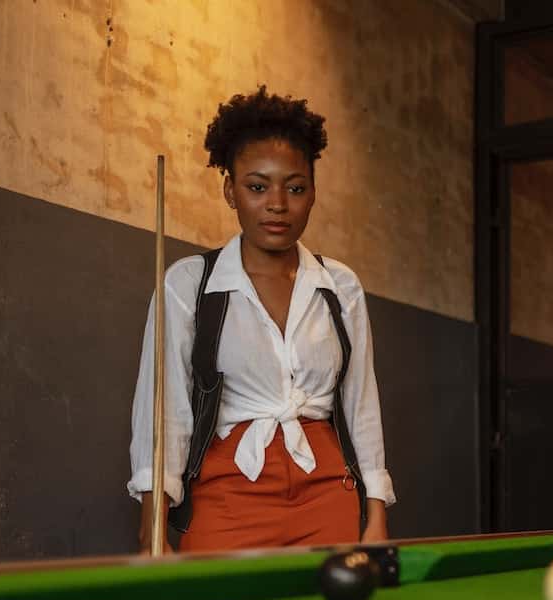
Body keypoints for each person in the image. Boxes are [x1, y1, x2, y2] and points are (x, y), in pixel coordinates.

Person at [128, 86, 394, 553]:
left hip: (328, 494)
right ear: (230, 190)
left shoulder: (341, 286)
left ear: (312, 194)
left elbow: (361, 408)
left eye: (295, 187)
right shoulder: (189, 284)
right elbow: (163, 416)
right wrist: (153, 527)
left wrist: (375, 519)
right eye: (257, 186)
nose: (277, 203)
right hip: (226, 494)